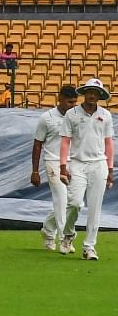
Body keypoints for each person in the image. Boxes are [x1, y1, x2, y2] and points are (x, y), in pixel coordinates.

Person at [59, 78, 114, 261]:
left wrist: (110, 169)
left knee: (95, 208)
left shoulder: (105, 115)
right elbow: (65, 141)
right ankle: (68, 234)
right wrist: (62, 165)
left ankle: (89, 247)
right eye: (89, 91)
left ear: (100, 96)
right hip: (77, 163)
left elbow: (109, 143)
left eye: (95, 93)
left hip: (99, 164)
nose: (92, 95)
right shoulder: (72, 114)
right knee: (74, 203)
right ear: (84, 93)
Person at [31, 86, 79, 252]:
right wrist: (35, 171)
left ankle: (47, 229)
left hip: (74, 162)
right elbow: (38, 144)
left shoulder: (77, 117)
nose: (72, 105)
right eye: (69, 102)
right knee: (61, 199)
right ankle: (64, 238)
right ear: (60, 98)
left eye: (75, 102)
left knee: (74, 203)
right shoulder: (47, 118)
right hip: (53, 161)